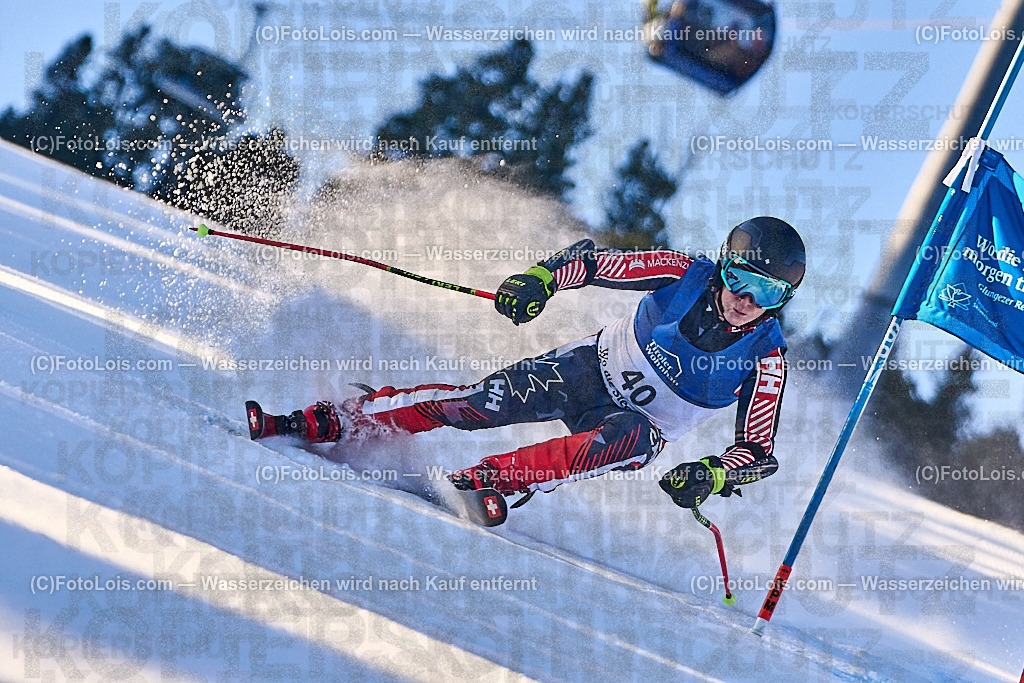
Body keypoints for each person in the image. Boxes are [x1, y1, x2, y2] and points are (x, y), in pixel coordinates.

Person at [248, 217, 805, 511]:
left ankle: (494, 481)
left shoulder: (767, 355)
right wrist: (541, 280)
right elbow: (592, 265)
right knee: (476, 404)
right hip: (588, 369)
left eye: (768, 292)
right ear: (724, 266)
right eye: (740, 279)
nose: (746, 300)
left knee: (626, 438)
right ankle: (344, 418)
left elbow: (758, 452)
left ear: (782, 301)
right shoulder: (683, 271)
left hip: (638, 430)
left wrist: (713, 474)